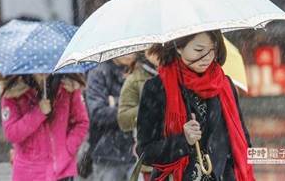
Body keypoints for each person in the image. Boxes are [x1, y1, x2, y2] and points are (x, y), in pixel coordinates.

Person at [136, 31, 255, 181]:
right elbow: (145, 152)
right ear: (179, 48)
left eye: (213, 50)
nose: (207, 57)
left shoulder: (224, 85)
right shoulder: (156, 88)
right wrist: (182, 141)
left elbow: (243, 140)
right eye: (199, 50)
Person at [0, 72, 89, 181]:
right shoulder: (12, 92)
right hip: (28, 173)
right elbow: (11, 133)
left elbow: (81, 122)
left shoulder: (68, 87)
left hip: (62, 172)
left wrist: (67, 150)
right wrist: (39, 112)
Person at [86, 54, 136, 181]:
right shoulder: (99, 72)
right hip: (107, 153)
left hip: (137, 151)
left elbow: (148, 105)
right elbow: (98, 113)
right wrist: (131, 109)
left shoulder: (141, 70)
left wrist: (114, 101)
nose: (131, 54)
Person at [117, 51, 159, 181]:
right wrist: (148, 106)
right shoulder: (135, 79)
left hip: (181, 157)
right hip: (151, 162)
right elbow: (123, 120)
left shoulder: (180, 73)